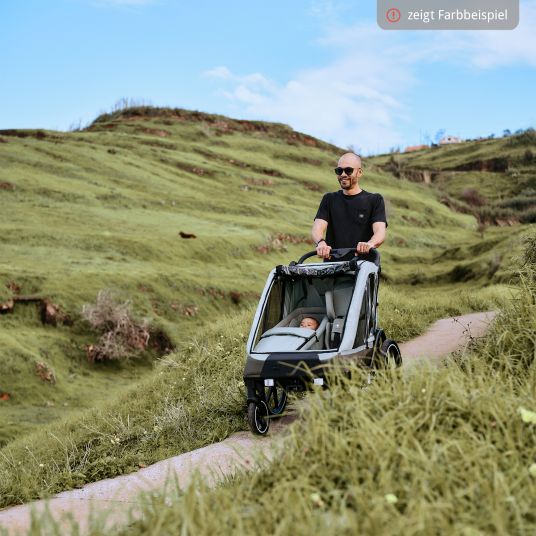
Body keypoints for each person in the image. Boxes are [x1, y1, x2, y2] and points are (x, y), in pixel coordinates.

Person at [311, 152, 387, 259]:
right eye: (339, 171)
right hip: (332, 267)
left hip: (362, 267)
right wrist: (321, 243)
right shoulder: (329, 199)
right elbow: (317, 227)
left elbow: (380, 231)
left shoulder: (374, 200)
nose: (343, 174)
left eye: (348, 170)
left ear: (359, 173)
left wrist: (370, 244)